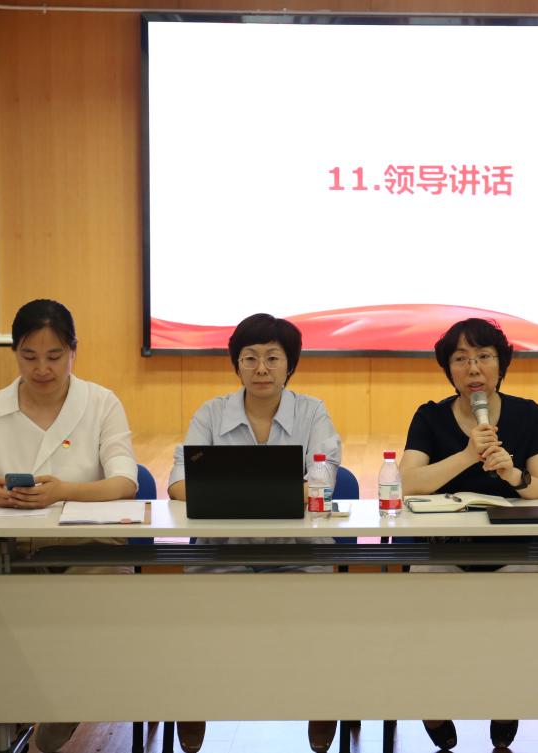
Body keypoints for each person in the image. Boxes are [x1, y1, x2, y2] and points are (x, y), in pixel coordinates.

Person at [0, 298, 139, 753]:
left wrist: (65, 490)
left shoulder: (101, 403)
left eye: (54, 356)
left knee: (101, 599)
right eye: (29, 356)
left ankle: (60, 711)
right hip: (11, 546)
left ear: (74, 351)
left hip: (89, 542)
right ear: (15, 353)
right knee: (7, 606)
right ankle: (4, 724)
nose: (42, 369)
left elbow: (125, 481)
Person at [167, 313, 341, 753]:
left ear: (290, 365)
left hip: (301, 555)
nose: (261, 369)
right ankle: (192, 704)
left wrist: (229, 492)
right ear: (237, 364)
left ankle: (322, 706)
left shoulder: (312, 412)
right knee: (193, 626)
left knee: (325, 624)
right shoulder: (210, 413)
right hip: (219, 555)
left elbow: (322, 484)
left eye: (272, 358)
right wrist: (275, 492)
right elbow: (178, 484)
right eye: (250, 358)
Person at [399, 317, 538, 750]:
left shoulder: (527, 414)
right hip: (443, 552)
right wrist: (469, 454)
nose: (473, 369)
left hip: (514, 552)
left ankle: (506, 702)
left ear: (501, 364)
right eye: (461, 359)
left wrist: (514, 475)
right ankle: (433, 704)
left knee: (526, 611)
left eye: (484, 357)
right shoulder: (430, 417)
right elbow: (406, 483)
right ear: (448, 370)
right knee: (425, 610)